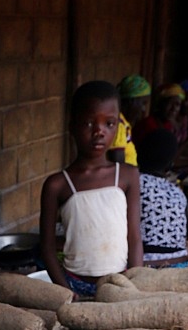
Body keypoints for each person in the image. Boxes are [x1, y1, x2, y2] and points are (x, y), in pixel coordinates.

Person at [40, 80, 142, 297]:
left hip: (120, 284)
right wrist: (66, 291)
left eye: (109, 124)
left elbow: (134, 236)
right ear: (72, 127)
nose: (99, 132)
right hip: (74, 284)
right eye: (88, 124)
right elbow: (47, 248)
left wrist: (134, 285)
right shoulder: (58, 184)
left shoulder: (127, 175)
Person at [137, 128, 188, 267]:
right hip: (179, 263)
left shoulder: (134, 183)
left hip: (146, 262)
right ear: (170, 164)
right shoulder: (177, 192)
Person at [111, 74, 152, 166]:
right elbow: (118, 167)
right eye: (143, 103)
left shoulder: (124, 123)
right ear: (131, 101)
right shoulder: (119, 126)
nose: (144, 109)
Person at [132, 83, 185, 150]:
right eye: (170, 103)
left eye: (177, 105)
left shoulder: (168, 125)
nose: (173, 108)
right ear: (161, 104)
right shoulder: (148, 125)